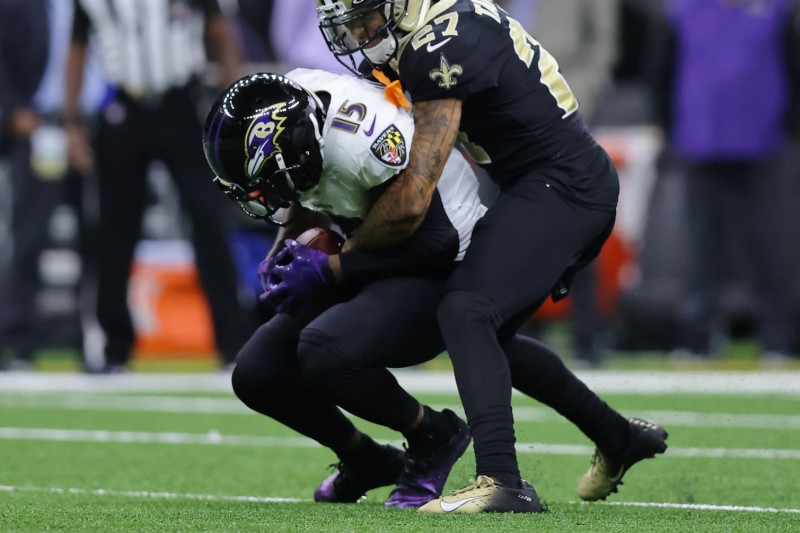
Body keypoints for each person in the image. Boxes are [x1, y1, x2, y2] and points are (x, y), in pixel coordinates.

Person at [307, 0, 668, 512]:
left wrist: (342, 257)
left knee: (465, 309)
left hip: (562, 187)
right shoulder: (438, 23)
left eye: (364, 14)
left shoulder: (435, 45)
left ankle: (502, 479)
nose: (358, 31)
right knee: (488, 334)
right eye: (349, 20)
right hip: (541, 181)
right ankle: (617, 436)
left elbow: (414, 195)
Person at [203, 70, 486, 506]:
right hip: (379, 255)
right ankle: (365, 458)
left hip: (446, 266)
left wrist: (333, 267)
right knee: (257, 372)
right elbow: (306, 188)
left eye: (264, 182)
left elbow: (435, 239)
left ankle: (433, 434)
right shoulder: (298, 121)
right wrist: (286, 248)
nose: (263, 196)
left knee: (322, 351)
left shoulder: (363, 140)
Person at [62, 0, 256, 373]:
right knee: (114, 230)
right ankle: (113, 347)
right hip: (123, 106)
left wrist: (234, 102)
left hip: (181, 102)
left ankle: (234, 344)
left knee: (208, 219)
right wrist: (70, 122)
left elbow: (219, 32)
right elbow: (77, 46)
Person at [648, 0, 800, 361]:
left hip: (766, 143)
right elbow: (661, 72)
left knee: (772, 244)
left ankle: (778, 337)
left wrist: (790, 133)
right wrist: (668, 129)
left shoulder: (777, 10)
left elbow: (795, 70)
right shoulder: (681, 11)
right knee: (700, 246)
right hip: (700, 141)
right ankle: (698, 336)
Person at [498, 0, 621, 367]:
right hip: (504, 107)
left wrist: (576, 92)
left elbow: (604, 40)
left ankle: (587, 334)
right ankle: (519, 335)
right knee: (512, 218)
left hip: (565, 101)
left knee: (576, 214)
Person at [0, 0, 105, 370]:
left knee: (95, 242)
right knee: (29, 238)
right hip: (41, 129)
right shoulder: (20, 6)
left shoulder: (100, 6)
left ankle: (92, 343)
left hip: (93, 130)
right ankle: (20, 344)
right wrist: (12, 112)